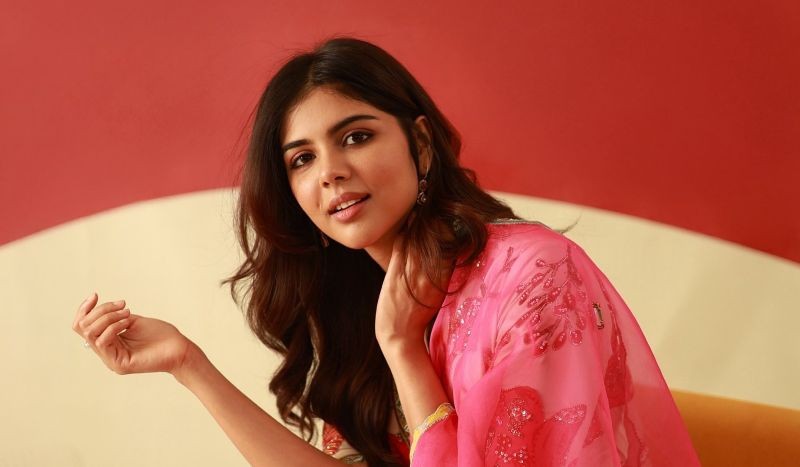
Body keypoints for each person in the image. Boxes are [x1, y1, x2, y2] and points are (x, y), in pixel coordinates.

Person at [71, 37, 700, 466]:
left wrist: (404, 351)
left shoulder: (534, 280)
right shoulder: (361, 302)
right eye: (302, 159)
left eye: (355, 136)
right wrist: (189, 366)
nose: (330, 172)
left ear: (419, 146)